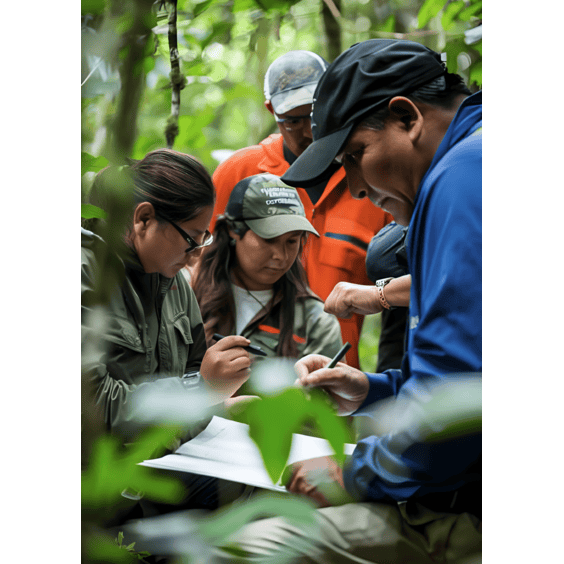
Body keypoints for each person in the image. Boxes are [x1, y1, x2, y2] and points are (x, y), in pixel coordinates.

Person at [214, 39, 482, 563]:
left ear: (406, 118)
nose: (356, 187)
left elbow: (457, 407)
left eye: (355, 156)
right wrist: (374, 390)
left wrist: (350, 472)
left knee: (237, 550)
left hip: (469, 502)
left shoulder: (460, 178)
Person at [81, 149, 259, 513]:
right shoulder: (85, 275)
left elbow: (190, 386)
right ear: (144, 219)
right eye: (191, 239)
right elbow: (90, 406)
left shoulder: (175, 284)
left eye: (203, 240)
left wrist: (219, 402)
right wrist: (200, 389)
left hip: (156, 468)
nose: (195, 256)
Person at [210, 50, 393, 369]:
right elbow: (200, 269)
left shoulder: (373, 182)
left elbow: (398, 297)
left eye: (313, 115)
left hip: (335, 378)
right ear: (272, 111)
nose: (309, 131)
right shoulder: (238, 173)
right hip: (241, 377)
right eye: (293, 121)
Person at [192, 173, 344, 382]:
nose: (281, 256)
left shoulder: (316, 322)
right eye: (269, 239)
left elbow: (325, 398)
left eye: (291, 241)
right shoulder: (186, 296)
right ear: (233, 229)